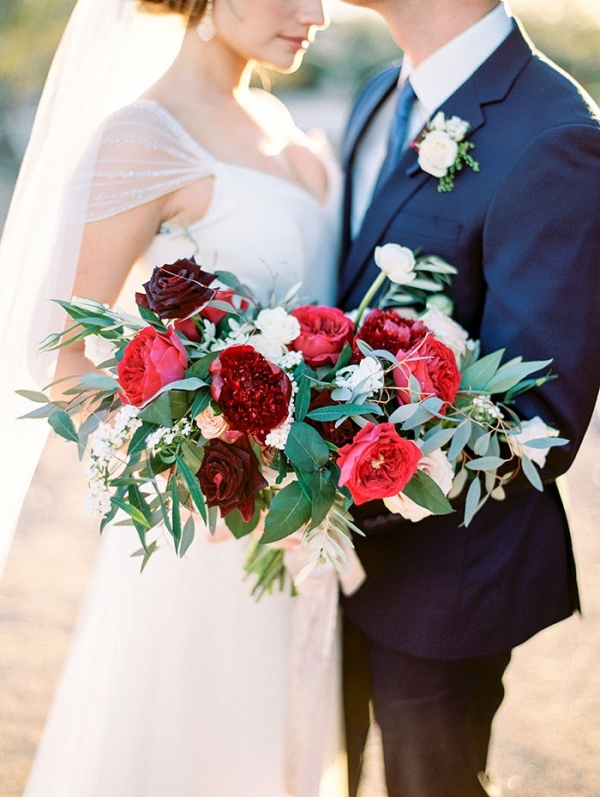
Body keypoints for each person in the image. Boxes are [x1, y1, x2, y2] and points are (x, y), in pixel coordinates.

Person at [0, 0, 348, 795]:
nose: (318, 13)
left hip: (307, 530)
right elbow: (61, 352)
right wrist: (190, 462)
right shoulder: (143, 135)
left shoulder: (282, 122)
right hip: (207, 531)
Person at [336, 1, 600, 796]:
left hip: (447, 583)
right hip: (324, 568)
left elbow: (538, 421)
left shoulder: (554, 134)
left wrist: (334, 493)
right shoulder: (379, 95)